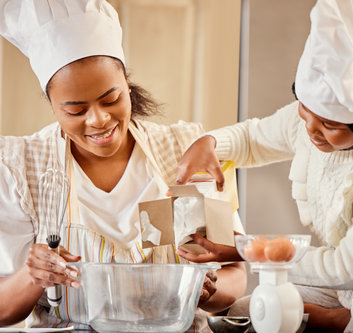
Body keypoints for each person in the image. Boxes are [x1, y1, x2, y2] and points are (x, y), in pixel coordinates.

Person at [175, 0, 353, 332]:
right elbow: (254, 139)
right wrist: (211, 143)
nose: (310, 131)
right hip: (350, 285)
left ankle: (338, 321)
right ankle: (345, 318)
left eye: (329, 125)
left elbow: (347, 269)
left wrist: (248, 248)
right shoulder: (308, 122)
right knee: (247, 311)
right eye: (305, 112)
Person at [0, 0, 246, 331]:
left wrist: (207, 291)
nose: (98, 120)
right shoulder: (19, 168)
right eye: (76, 110)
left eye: (111, 100)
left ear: (127, 84)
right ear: (52, 105)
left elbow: (234, 272)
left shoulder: (185, 151)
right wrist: (32, 276)